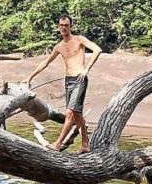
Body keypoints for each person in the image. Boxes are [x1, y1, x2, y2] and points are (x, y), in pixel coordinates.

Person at [23, 14, 102, 152]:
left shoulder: (79, 40)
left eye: (66, 25)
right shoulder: (59, 46)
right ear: (58, 27)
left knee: (69, 113)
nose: (64, 27)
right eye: (61, 25)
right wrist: (30, 77)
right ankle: (85, 145)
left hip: (79, 79)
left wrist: (86, 69)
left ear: (71, 26)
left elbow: (97, 50)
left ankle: (57, 144)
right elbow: (45, 63)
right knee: (77, 114)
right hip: (68, 80)